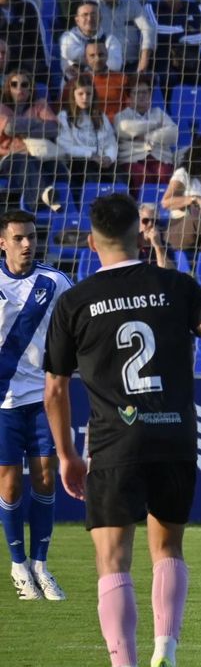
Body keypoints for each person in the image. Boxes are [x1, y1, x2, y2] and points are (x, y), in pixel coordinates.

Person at [43, 191, 201, 667]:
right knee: (169, 549)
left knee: (113, 560)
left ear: (92, 242)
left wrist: (67, 454)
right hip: (175, 436)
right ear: (140, 233)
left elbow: (53, 389)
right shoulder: (176, 285)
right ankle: (167, 654)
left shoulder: (74, 302)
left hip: (116, 442)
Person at [0, 210, 70, 600]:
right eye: (19, 238)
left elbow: (77, 324)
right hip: (4, 401)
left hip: (44, 398)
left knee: (45, 477)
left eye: (32, 236)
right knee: (9, 485)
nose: (28, 244)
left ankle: (41, 565)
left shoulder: (55, 282)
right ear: (3, 242)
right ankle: (18, 565)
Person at [0, 66, 61, 212]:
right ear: (8, 87)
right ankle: (39, 201)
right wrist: (38, 123)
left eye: (24, 84)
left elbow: (53, 129)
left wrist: (21, 128)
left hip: (38, 156)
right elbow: (9, 128)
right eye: (14, 84)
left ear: (31, 87)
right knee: (23, 160)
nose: (19, 88)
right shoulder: (1, 108)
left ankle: (48, 197)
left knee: (58, 167)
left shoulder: (40, 104)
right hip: (8, 158)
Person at [113, 75, 179, 193]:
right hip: (133, 159)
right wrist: (156, 125)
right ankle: (140, 208)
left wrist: (147, 136)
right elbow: (124, 128)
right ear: (129, 97)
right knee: (142, 175)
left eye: (145, 92)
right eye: (137, 93)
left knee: (164, 173)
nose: (142, 96)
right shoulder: (121, 116)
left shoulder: (158, 112)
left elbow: (173, 134)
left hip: (160, 157)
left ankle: (163, 209)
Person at [145, 0, 201, 86]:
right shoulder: (151, 7)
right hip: (162, 60)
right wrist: (183, 30)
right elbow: (155, 30)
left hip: (190, 59)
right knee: (167, 79)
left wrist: (180, 38)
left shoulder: (194, 7)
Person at [162, 136, 201, 251]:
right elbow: (166, 202)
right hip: (180, 229)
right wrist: (193, 199)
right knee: (194, 218)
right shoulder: (183, 174)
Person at [56, 75, 117, 188]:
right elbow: (65, 147)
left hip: (101, 161)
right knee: (91, 172)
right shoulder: (64, 117)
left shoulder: (101, 117)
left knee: (120, 175)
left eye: (88, 94)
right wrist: (90, 155)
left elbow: (111, 142)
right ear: (73, 95)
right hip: (78, 162)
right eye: (80, 94)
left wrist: (109, 157)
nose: (85, 98)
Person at [93, 0, 155, 75]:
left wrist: (144, 59)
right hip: (103, 67)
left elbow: (148, 29)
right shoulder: (91, 8)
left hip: (133, 65)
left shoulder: (133, 5)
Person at [0, 0, 45, 82]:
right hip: (2, 65)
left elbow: (37, 43)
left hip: (26, 66)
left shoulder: (27, 7)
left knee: (41, 70)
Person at [60, 1, 123, 81]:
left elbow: (115, 65)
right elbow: (72, 55)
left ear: (100, 18)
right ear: (77, 20)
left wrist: (82, 67)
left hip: (103, 85)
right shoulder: (67, 37)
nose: (89, 19)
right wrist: (103, 56)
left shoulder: (110, 39)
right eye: (85, 15)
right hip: (74, 87)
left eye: (93, 14)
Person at [80, 39, 130, 119]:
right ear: (86, 59)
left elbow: (131, 108)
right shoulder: (77, 82)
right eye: (92, 55)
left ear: (107, 55)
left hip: (119, 126)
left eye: (101, 54)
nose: (97, 59)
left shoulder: (122, 79)